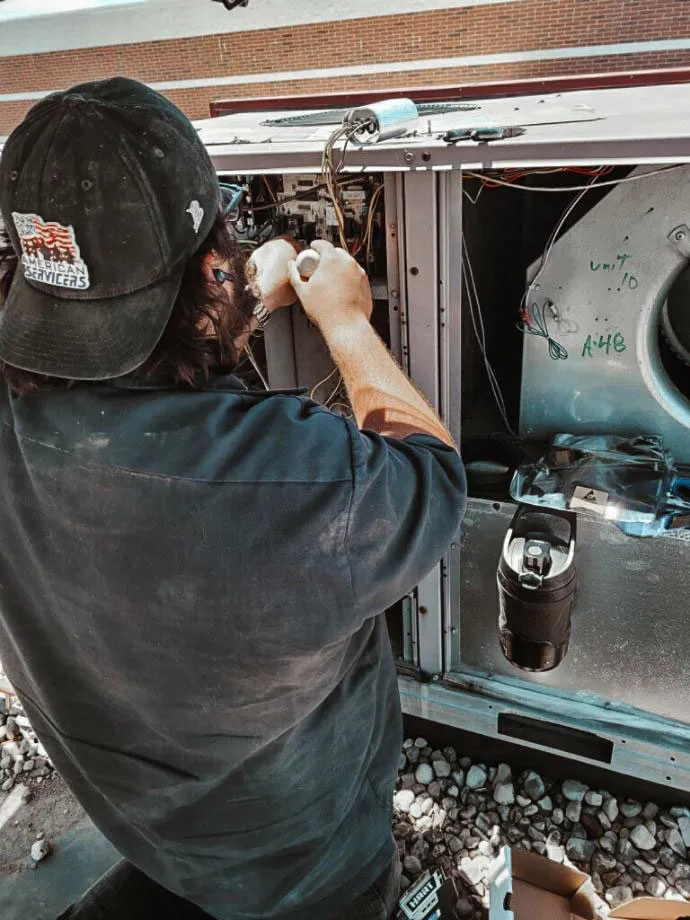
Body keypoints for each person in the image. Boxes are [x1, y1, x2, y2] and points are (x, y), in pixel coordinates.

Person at [0, 77, 466, 920]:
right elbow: (429, 478)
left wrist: (236, 303)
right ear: (209, 264)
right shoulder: (296, 482)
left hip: (148, 836)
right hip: (311, 876)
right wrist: (349, 323)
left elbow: (146, 406)